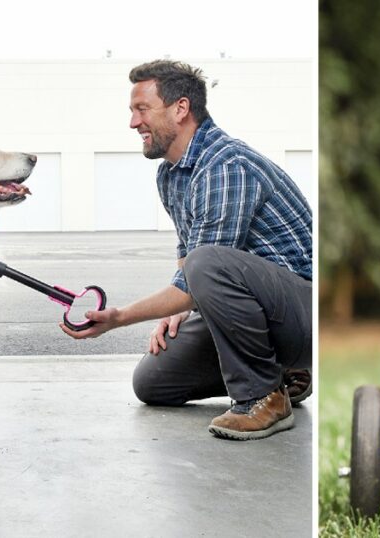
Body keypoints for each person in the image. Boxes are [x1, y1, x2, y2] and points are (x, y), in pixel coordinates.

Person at [61, 60, 313, 441]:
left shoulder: (225, 165)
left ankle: (264, 397)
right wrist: (182, 304)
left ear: (181, 109)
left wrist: (119, 317)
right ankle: (281, 374)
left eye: (142, 109)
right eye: (132, 111)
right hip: (258, 314)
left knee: (206, 263)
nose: (133, 123)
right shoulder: (172, 173)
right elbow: (188, 266)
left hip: (305, 317)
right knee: (153, 382)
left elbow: (203, 267)